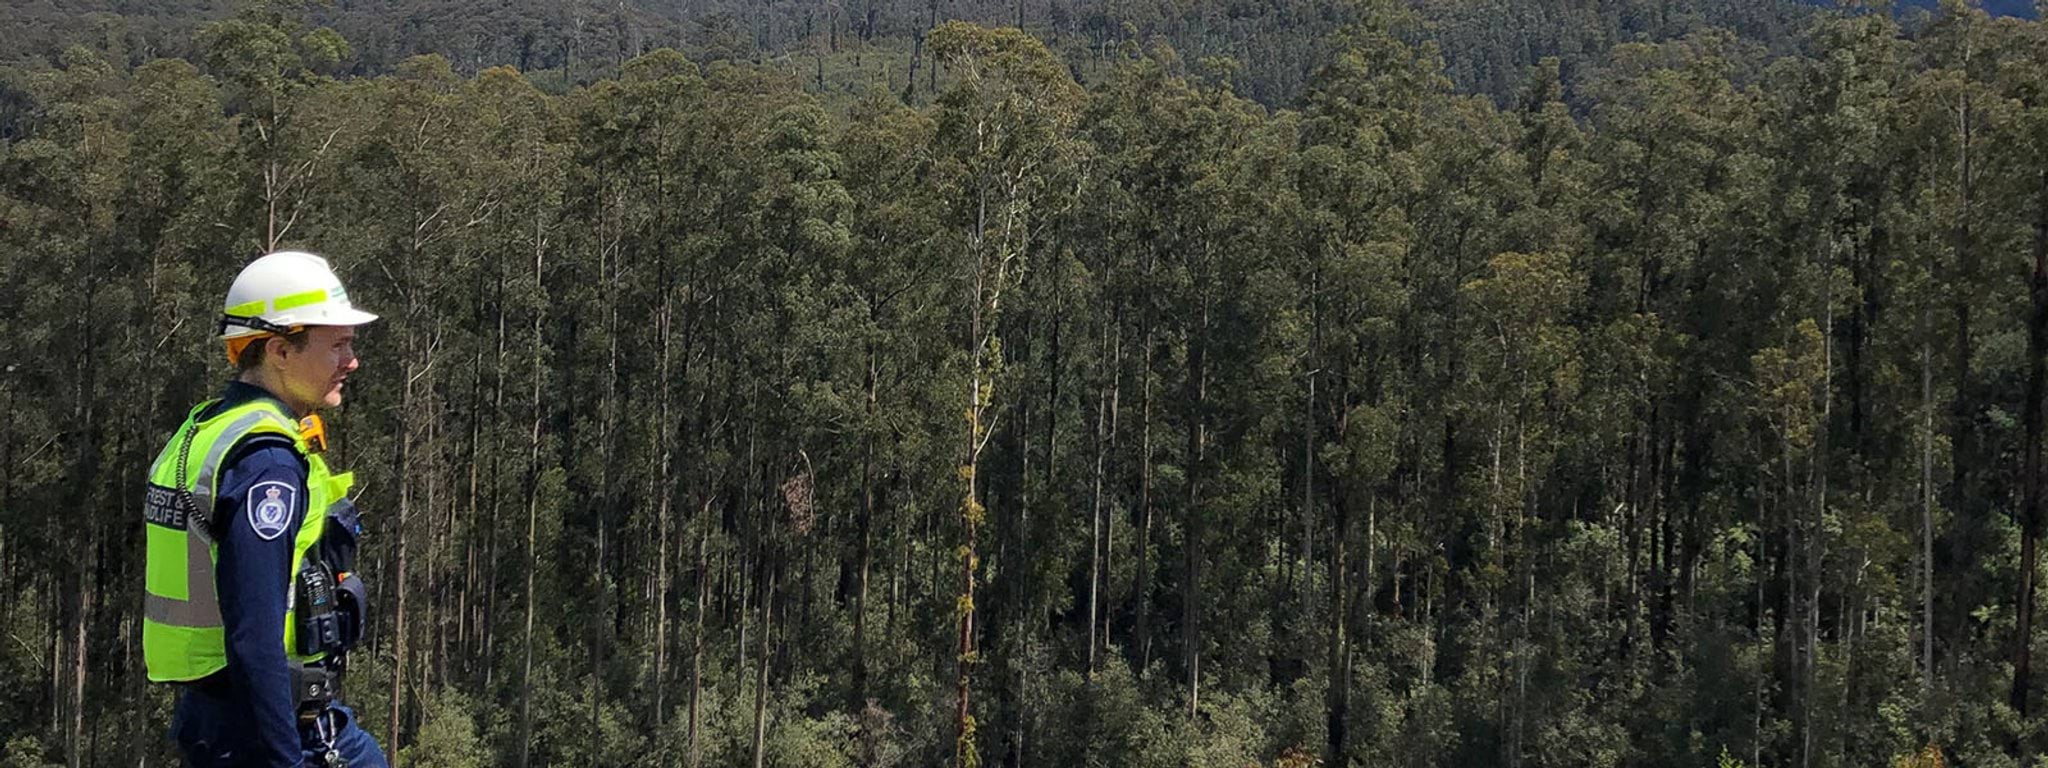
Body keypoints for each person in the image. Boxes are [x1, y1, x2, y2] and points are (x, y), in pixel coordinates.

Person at [143, 250, 386, 767]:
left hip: (223, 717)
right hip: (267, 729)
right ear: (279, 351)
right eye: (337, 345)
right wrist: (284, 760)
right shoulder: (266, 462)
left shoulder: (209, 426)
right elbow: (255, 635)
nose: (352, 361)